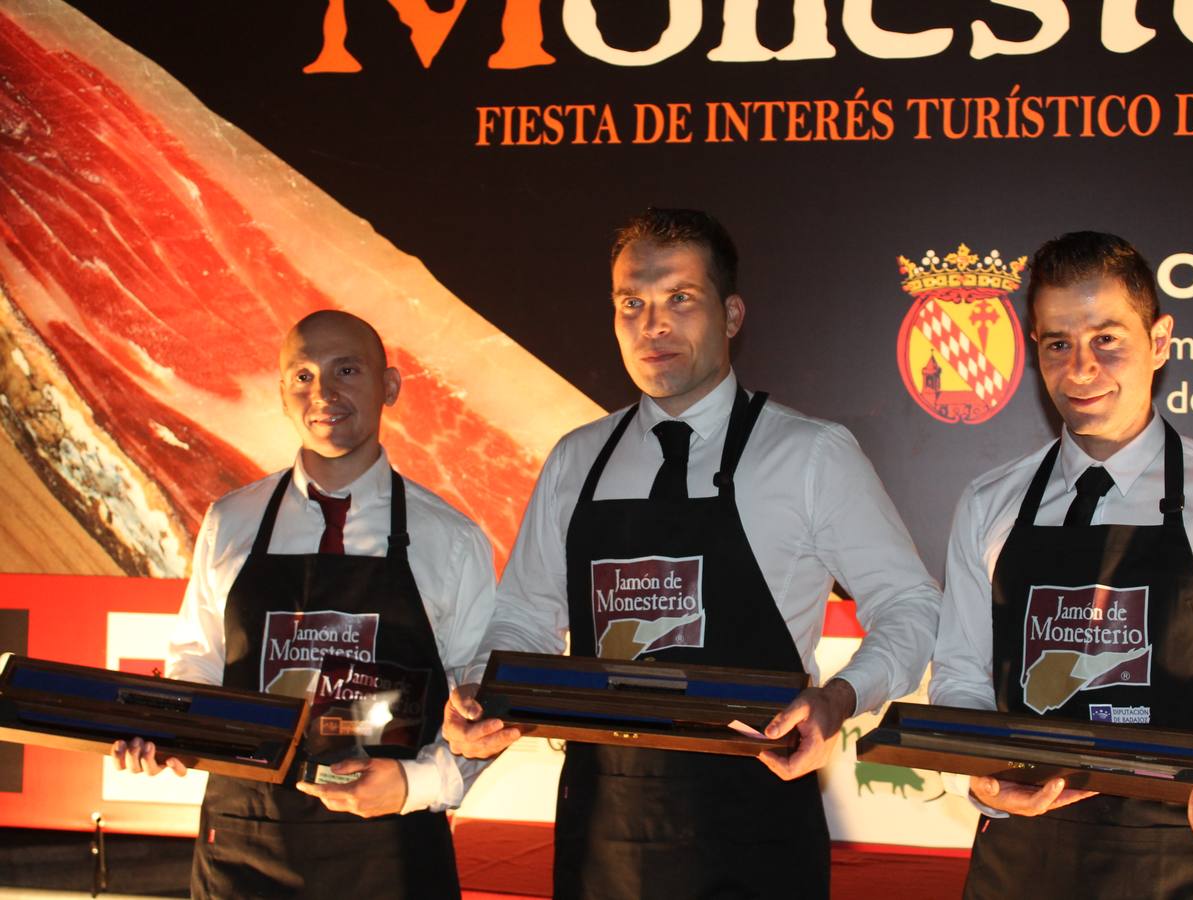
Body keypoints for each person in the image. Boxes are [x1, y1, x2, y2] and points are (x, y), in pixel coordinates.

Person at [444, 208, 941, 898]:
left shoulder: (809, 455)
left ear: (731, 315)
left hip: (757, 831)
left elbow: (912, 605)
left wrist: (838, 697)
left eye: (680, 298)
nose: (653, 325)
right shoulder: (576, 460)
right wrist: (483, 689)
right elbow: (524, 617)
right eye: (632, 304)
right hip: (604, 835)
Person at [928, 231, 1193, 899]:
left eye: (1107, 339)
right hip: (1019, 860)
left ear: (1160, 340)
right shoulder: (987, 504)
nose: (1080, 369)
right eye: (1058, 344)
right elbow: (962, 675)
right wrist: (981, 774)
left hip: (1184, 862)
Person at [111, 310, 494, 898]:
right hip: (244, 847)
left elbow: (485, 708)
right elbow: (198, 663)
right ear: (282, 393)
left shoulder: (451, 539)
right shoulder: (230, 521)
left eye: (347, 370)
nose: (324, 393)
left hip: (391, 853)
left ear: (389, 386)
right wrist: (167, 730)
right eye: (303, 376)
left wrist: (416, 783)